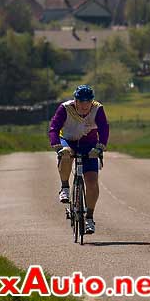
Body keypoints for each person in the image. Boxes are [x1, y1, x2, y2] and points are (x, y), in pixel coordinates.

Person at [48, 84, 109, 235]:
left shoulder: (97, 109)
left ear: (92, 101)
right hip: (68, 141)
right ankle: (65, 187)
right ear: (74, 100)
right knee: (67, 154)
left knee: (92, 181)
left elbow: (104, 128)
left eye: (87, 102)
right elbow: (54, 128)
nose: (84, 105)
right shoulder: (65, 108)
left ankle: (89, 217)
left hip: (89, 144)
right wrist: (57, 147)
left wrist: (99, 148)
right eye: (80, 101)